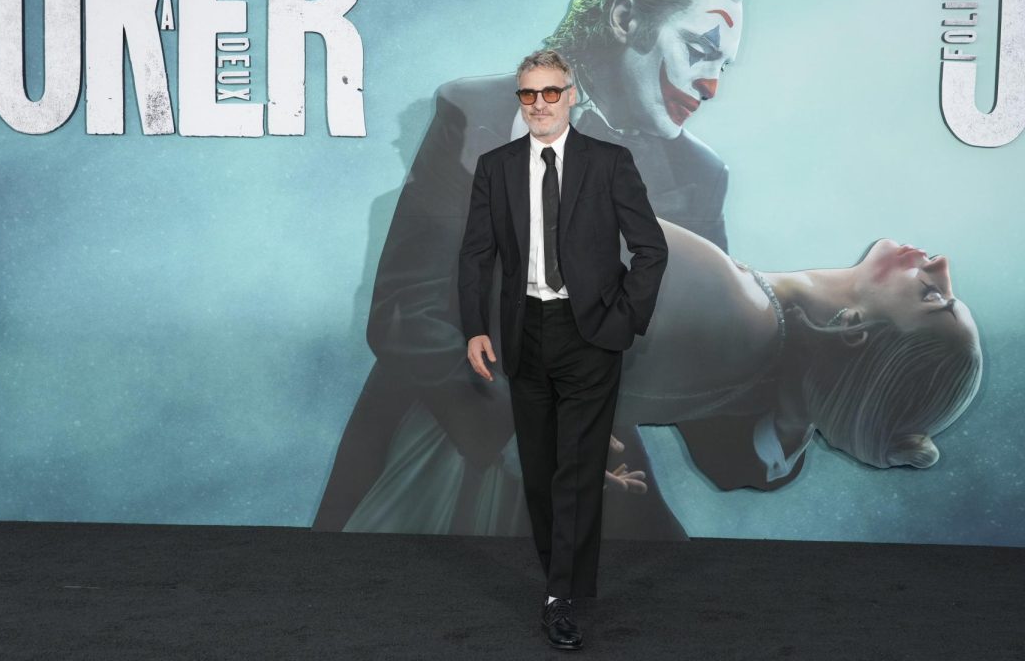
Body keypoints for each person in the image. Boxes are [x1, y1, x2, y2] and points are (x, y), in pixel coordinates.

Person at [314, 0, 747, 539]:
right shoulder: (473, 115)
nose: (711, 85)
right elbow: (406, 306)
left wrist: (818, 403)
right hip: (441, 451)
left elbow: (703, 358)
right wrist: (518, 442)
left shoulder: (700, 177)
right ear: (624, 17)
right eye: (701, 49)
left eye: (723, 64)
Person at [341, 223, 983, 537]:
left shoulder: (728, 299)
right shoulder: (761, 368)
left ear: (854, 330)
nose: (941, 265)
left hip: (462, 403)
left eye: (930, 297)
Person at [457, 49, 668, 650]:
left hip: (590, 335)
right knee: (541, 471)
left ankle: (560, 597)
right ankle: (564, 580)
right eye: (529, 95)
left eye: (551, 92)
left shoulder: (609, 162)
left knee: (577, 471)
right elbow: (476, 254)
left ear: (571, 95)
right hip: (522, 332)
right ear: (519, 102)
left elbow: (650, 249)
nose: (541, 104)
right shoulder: (495, 167)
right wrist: (475, 327)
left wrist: (623, 319)